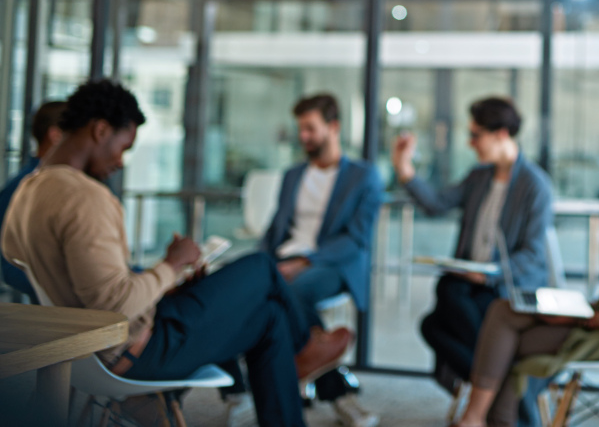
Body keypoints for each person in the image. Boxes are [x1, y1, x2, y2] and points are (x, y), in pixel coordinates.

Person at [1, 79, 353, 427]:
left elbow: (70, 275)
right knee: (261, 266)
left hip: (87, 350)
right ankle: (305, 347)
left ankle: (301, 357)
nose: (121, 162)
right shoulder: (86, 197)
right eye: (124, 147)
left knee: (270, 316)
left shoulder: (27, 193)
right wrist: (171, 264)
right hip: (136, 349)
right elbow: (113, 307)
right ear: (100, 130)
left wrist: (166, 280)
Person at [453, 122, 599, 427]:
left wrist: (580, 318)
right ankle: (480, 417)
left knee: (502, 343)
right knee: (500, 311)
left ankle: (476, 417)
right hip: (593, 317)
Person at [391, 97, 554, 392]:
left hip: (504, 284)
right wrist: (404, 168)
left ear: (501, 134)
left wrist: (490, 273)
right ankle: (501, 380)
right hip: (470, 280)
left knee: (440, 313)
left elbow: (533, 253)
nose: (470, 143)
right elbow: (437, 204)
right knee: (440, 306)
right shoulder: (478, 177)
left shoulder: (535, 185)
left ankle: (491, 385)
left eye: (476, 135)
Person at [259, 93, 384, 427]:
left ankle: (298, 382)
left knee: (293, 292)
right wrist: (261, 264)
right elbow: (274, 231)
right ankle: (336, 390)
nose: (303, 137)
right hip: (284, 260)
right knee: (244, 290)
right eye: (301, 129)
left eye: (311, 128)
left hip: (333, 265)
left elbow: (356, 238)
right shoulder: (293, 175)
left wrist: (304, 262)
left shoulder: (363, 176)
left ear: (334, 127)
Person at [0, 100, 65, 298]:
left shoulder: (62, 185)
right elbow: (8, 264)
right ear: (55, 136)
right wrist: (65, 287)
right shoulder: (24, 186)